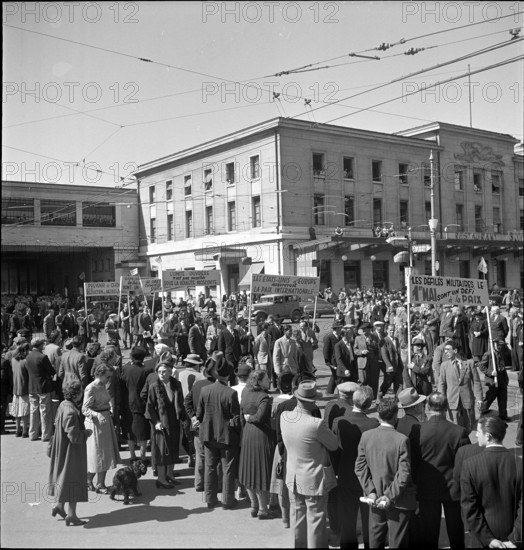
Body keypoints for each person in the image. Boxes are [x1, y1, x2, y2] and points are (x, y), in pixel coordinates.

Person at [281, 380, 338, 548]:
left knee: (297, 517)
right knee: (315, 521)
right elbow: (333, 445)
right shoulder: (316, 425)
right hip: (313, 478)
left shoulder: (285, 417)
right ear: (313, 401)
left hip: (293, 476)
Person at [355, 398, 417, 549]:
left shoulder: (366, 436)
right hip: (398, 500)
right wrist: (389, 495)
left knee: (376, 539)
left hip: (374, 500)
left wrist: (371, 491)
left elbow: (360, 467)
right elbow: (404, 473)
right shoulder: (402, 440)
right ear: (396, 416)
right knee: (397, 541)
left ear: (378, 414)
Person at [417, 392, 470, 549]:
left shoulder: (418, 430)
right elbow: (466, 461)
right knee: (456, 531)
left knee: (429, 532)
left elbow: (413, 461)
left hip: (426, 488)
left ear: (427, 407)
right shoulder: (459, 431)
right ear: (447, 407)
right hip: (453, 488)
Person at [461, 416, 523, 548]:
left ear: (488, 436)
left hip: (481, 540)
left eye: (478, 431)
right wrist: (515, 538)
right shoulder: (519, 464)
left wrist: (488, 539)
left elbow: (470, 507)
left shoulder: (470, 465)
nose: (476, 435)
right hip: (514, 539)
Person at [331, 385, 379, 550]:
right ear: (370, 403)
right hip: (368, 478)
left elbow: (334, 451)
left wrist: (336, 472)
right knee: (368, 520)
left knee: (348, 519)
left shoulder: (339, 422)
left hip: (345, 475)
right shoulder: (373, 423)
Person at [196, 352, 241, 509]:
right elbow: (236, 418)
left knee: (210, 466)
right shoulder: (231, 393)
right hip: (226, 436)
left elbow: (199, 414)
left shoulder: (205, 390)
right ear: (228, 375)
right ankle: (228, 500)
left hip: (208, 434)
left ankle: (210, 498)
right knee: (227, 468)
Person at [49, 379, 92, 526]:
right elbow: (74, 437)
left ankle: (59, 506)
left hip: (62, 448)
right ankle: (72, 515)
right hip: (71, 452)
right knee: (74, 482)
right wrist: (86, 432)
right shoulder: (71, 411)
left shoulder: (63, 405)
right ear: (77, 394)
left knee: (64, 479)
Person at [238, 370, 275, 519]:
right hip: (261, 436)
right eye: (267, 379)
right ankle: (263, 509)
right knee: (261, 472)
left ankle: (254, 505)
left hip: (247, 434)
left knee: (248, 471)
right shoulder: (264, 397)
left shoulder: (246, 392)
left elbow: (242, 414)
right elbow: (259, 417)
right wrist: (251, 418)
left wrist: (246, 422)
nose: (270, 381)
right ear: (259, 381)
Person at [146, 361, 186, 489]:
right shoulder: (154, 386)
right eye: (159, 372)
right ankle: (161, 479)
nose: (161, 374)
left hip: (174, 421)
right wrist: (156, 422)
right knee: (162, 452)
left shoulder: (177, 384)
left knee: (173, 449)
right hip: (161, 424)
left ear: (170, 372)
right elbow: (150, 408)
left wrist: (183, 418)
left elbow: (181, 402)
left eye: (164, 371)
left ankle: (170, 475)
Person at [82, 364, 120, 493]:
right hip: (95, 423)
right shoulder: (91, 388)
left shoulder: (103, 385)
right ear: (100, 374)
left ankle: (100, 483)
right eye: (107, 376)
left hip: (105, 420)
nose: (109, 379)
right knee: (96, 454)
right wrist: (97, 414)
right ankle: (88, 481)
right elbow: (85, 408)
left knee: (105, 454)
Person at [438, 339, 483, 433]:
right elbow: (441, 385)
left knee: (469, 426)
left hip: (467, 401)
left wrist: (479, 398)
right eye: (445, 350)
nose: (445, 352)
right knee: (455, 428)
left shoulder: (469, 363)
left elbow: (476, 382)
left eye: (448, 349)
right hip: (452, 402)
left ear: (455, 350)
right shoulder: (444, 366)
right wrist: (442, 401)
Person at [120, 346, 155, 462]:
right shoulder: (147, 370)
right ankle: (143, 456)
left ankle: (132, 455)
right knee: (143, 431)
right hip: (142, 403)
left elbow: (122, 387)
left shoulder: (125, 369)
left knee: (129, 430)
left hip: (128, 403)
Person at [25, 337, 56, 442]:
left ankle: (33, 434)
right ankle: (46, 434)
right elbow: (51, 371)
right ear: (40, 345)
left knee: (33, 411)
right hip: (43, 387)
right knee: (44, 411)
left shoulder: (28, 357)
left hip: (31, 387)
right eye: (43, 344)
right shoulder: (42, 357)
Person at [478, 339, 510, 421]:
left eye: (501, 345)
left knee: (503, 398)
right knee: (489, 398)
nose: (500, 347)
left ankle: (503, 416)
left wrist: (505, 379)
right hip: (492, 381)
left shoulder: (501, 353)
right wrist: (490, 372)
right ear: (494, 344)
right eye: (498, 345)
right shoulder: (488, 354)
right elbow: (481, 366)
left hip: (502, 379)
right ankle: (482, 413)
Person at [354, 322, 381, 401]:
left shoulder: (375, 337)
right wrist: (361, 352)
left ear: (369, 329)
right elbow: (355, 350)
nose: (364, 331)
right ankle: (362, 399)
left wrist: (371, 343)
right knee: (362, 382)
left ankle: (373, 399)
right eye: (362, 330)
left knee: (373, 382)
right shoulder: (358, 338)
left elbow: (377, 350)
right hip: (362, 363)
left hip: (373, 362)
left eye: (365, 329)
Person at [10, 342, 30, 438]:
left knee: (17, 411)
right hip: (24, 388)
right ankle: (24, 431)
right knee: (24, 411)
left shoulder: (13, 360)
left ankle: (18, 430)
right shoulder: (25, 361)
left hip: (15, 388)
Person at [379, 323, 403, 398]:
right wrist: (389, 365)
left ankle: (398, 399)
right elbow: (384, 354)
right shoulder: (384, 340)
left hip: (397, 365)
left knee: (398, 383)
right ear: (387, 330)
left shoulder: (396, 339)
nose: (391, 332)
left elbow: (398, 352)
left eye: (393, 330)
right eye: (390, 330)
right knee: (387, 383)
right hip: (389, 367)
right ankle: (379, 395)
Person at [324, 322, 343, 394]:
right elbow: (326, 350)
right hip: (333, 360)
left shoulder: (340, 337)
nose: (341, 329)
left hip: (338, 359)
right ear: (337, 329)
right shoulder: (329, 337)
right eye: (340, 328)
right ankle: (338, 392)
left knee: (334, 375)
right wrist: (327, 361)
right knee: (336, 375)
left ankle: (329, 391)